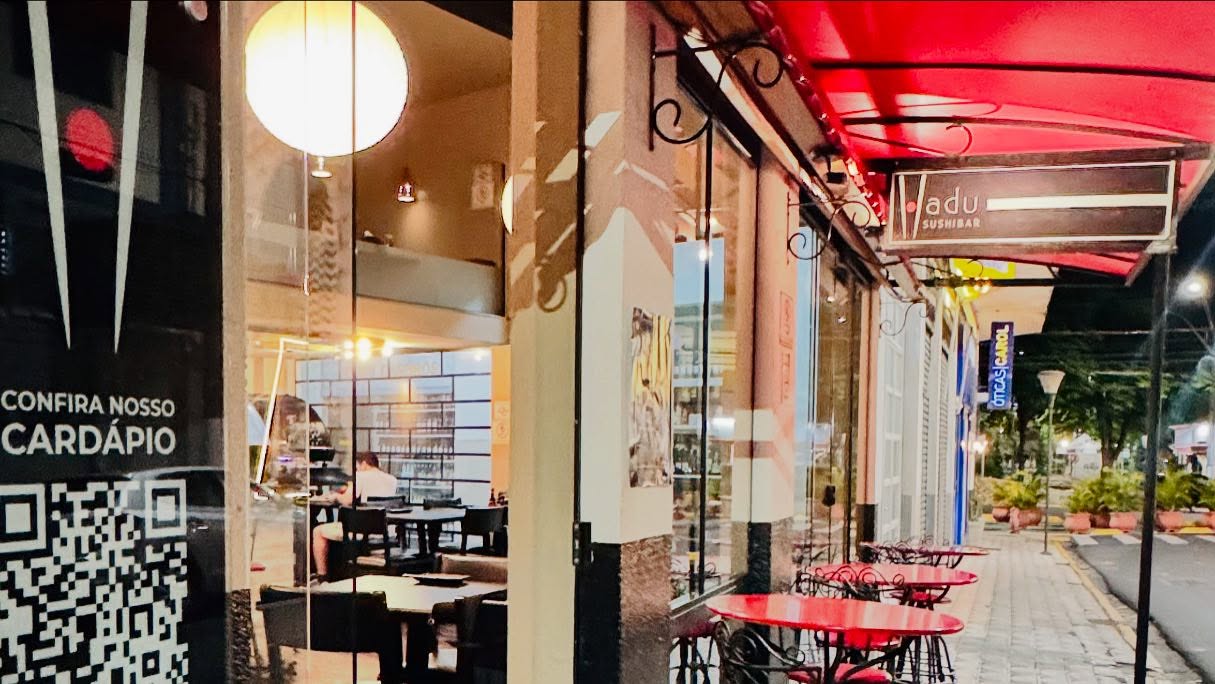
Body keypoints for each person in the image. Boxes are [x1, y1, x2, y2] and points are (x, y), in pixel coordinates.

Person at [311, 452, 399, 580]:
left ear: (364, 463)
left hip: (362, 532)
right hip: (385, 532)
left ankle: (322, 576)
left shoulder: (360, 476)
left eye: (357, 466)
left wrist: (335, 496)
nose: (356, 469)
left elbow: (347, 500)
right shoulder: (392, 480)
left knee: (318, 531)